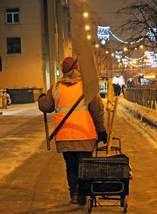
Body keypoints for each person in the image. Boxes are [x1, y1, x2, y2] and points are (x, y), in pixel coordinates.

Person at [38, 57, 107, 205]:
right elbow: (97, 110)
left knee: (71, 166)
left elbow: (45, 106)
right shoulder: (86, 87)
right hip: (85, 134)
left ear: (63, 70)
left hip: (64, 135)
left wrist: (41, 98)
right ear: (77, 69)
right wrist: (101, 130)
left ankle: (75, 193)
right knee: (85, 166)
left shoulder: (56, 87)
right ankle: (83, 192)